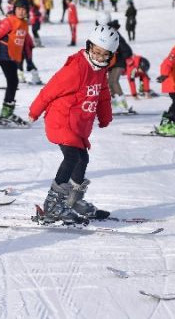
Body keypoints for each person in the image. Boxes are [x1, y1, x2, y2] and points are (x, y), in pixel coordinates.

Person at [28, 25, 117, 224]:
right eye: (95, 51)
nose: (99, 57)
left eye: (104, 54)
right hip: (61, 120)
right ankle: (53, 205)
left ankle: (72, 201)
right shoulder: (76, 69)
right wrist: (34, 111)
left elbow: (103, 95)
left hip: (78, 124)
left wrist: (105, 117)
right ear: (88, 47)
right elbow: (49, 91)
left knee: (82, 159)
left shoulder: (100, 71)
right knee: (72, 158)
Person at [0, 0, 34, 126]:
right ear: (15, 9)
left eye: (24, 10)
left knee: (13, 82)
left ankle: (6, 113)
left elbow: (25, 44)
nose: (21, 12)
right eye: (19, 9)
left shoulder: (24, 24)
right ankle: (6, 114)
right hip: (4, 54)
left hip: (14, 56)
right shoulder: (9, 21)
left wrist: (29, 60)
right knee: (13, 82)